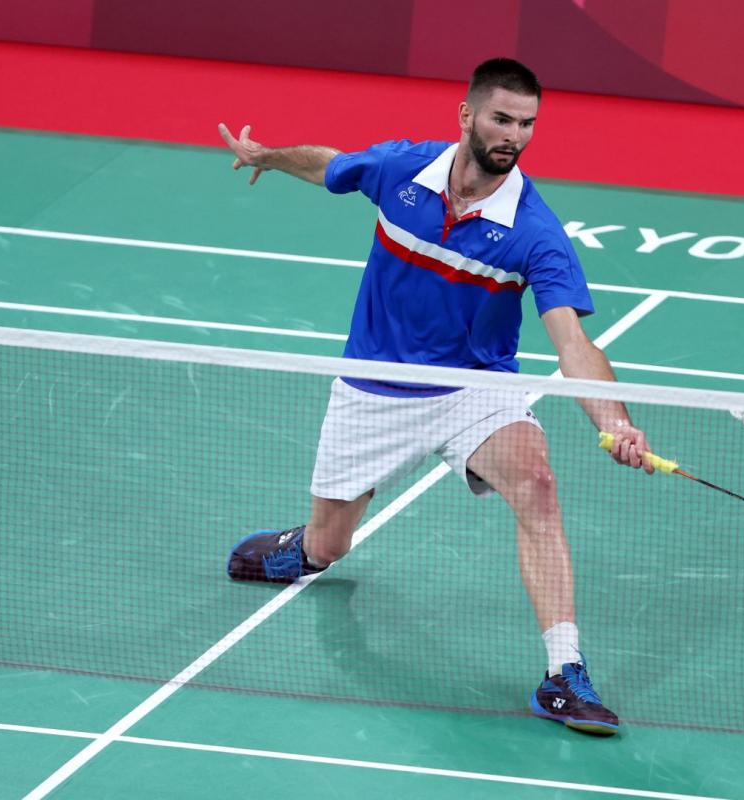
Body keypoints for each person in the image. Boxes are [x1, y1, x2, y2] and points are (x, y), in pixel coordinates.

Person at [219, 57, 652, 737]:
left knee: (537, 484)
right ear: (467, 115)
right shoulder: (402, 170)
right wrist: (270, 157)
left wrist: (615, 422)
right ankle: (302, 549)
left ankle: (564, 674)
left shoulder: (535, 231)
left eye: (527, 123)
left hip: (472, 389)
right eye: (502, 118)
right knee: (331, 548)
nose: (514, 134)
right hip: (374, 388)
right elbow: (331, 166)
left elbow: (573, 345)